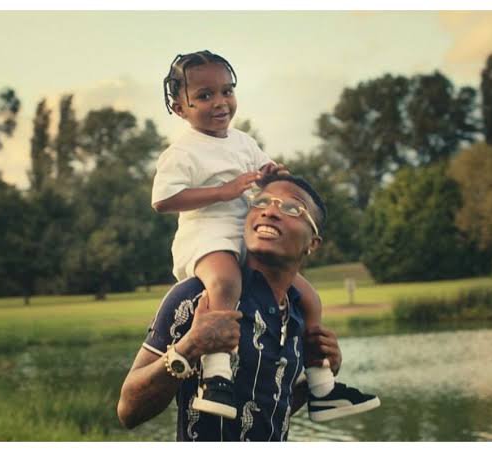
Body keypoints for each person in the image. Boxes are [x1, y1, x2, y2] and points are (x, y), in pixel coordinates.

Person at [151, 50, 379, 420]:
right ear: (180, 108)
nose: (220, 103)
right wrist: (223, 191)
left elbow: (266, 178)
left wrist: (274, 172)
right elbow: (163, 199)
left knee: (309, 297)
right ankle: (217, 378)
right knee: (225, 284)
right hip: (210, 240)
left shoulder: (242, 141)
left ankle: (322, 385)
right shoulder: (183, 152)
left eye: (227, 91)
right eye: (205, 96)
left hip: (245, 238)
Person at [118, 174, 379, 440]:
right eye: (262, 202)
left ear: (312, 243)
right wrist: (190, 347)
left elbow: (269, 411)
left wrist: (320, 377)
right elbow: (128, 412)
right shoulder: (198, 296)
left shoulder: (299, 315)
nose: (270, 211)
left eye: (292, 208)